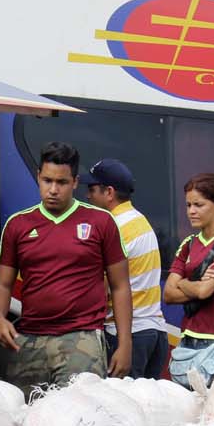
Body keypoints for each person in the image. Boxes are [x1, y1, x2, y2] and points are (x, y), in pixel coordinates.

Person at [0, 142, 132, 396]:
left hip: (82, 338)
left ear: (75, 182)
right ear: (38, 177)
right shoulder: (18, 225)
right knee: (26, 420)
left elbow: (120, 286)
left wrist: (125, 343)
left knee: (78, 418)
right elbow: (2, 283)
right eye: (47, 180)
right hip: (29, 339)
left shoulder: (101, 222)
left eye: (62, 182)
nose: (53, 189)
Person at [85, 158, 167, 380]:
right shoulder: (140, 220)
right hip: (155, 332)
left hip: (127, 336)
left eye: (92, 189)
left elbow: (101, 289)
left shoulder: (113, 227)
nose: (87, 196)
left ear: (109, 192)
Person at [164, 174, 214, 389]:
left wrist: (182, 282)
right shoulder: (188, 243)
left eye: (199, 205)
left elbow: (204, 292)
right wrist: (195, 285)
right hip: (187, 342)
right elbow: (168, 294)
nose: (191, 211)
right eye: (188, 205)